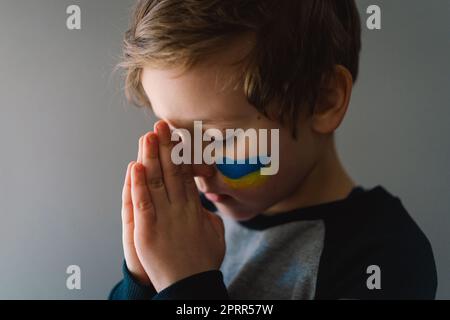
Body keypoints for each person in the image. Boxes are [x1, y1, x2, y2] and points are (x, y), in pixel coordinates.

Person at [109, 0, 437, 300]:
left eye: (222, 139)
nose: (194, 166)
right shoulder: (190, 217)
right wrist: (142, 282)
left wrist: (186, 285)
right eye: (176, 138)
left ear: (323, 100)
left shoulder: (385, 255)